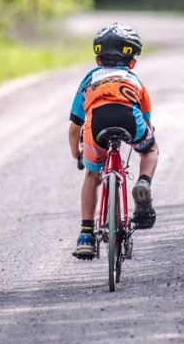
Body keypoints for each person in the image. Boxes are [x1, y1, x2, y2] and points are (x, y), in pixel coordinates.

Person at [68, 22, 158, 259]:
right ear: (132, 62)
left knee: (91, 174)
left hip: (96, 123)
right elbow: (147, 122)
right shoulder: (134, 80)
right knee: (150, 150)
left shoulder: (90, 78)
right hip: (130, 119)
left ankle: (86, 235)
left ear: (98, 60)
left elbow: (74, 126)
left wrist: (76, 154)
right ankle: (144, 183)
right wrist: (144, 139)